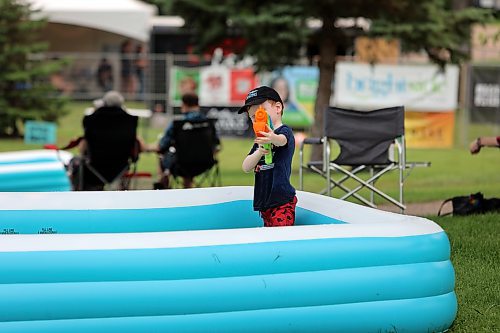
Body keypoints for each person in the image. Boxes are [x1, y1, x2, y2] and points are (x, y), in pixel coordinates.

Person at [239, 86, 297, 227]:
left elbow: (282, 140)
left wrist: (272, 138)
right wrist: (259, 151)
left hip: (282, 201)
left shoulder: (284, 131)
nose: (257, 119)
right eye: (253, 117)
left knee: (280, 237)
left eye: (261, 113)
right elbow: (246, 167)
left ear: (277, 108)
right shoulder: (260, 141)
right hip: (265, 202)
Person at [66, 91, 146, 190]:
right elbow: (140, 147)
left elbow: (82, 149)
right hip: (120, 168)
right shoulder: (129, 121)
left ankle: (81, 194)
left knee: (76, 162)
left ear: (104, 102)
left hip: (93, 169)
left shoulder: (92, 120)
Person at [150, 92, 220, 189]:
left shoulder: (178, 124)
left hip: (180, 165)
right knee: (187, 161)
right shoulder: (209, 123)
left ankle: (163, 185)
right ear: (197, 104)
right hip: (205, 164)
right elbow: (217, 146)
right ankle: (188, 188)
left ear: (184, 105)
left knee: (163, 156)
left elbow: (162, 145)